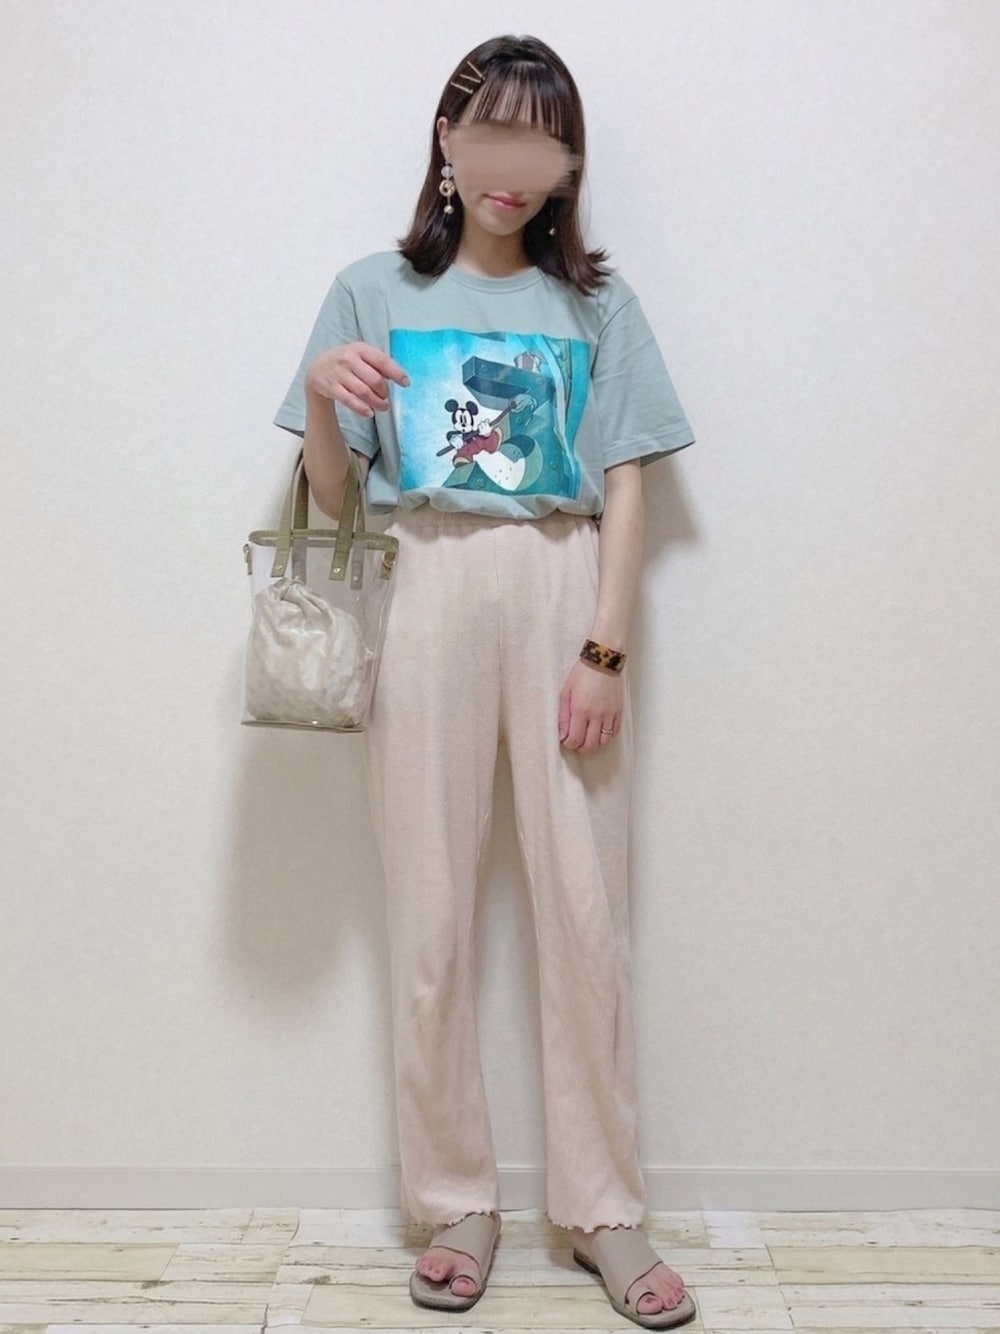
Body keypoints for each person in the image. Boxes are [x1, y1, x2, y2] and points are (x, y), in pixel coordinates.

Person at [273, 33, 698, 1330]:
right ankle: (456, 1197)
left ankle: (604, 1208)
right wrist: (325, 399)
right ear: (448, 140)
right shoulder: (369, 290)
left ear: (567, 163)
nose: (514, 165)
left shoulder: (599, 306)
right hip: (422, 586)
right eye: (492, 132)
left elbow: (626, 484)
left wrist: (606, 646)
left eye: (543, 141)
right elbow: (334, 501)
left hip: (563, 586)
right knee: (431, 912)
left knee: (586, 909)